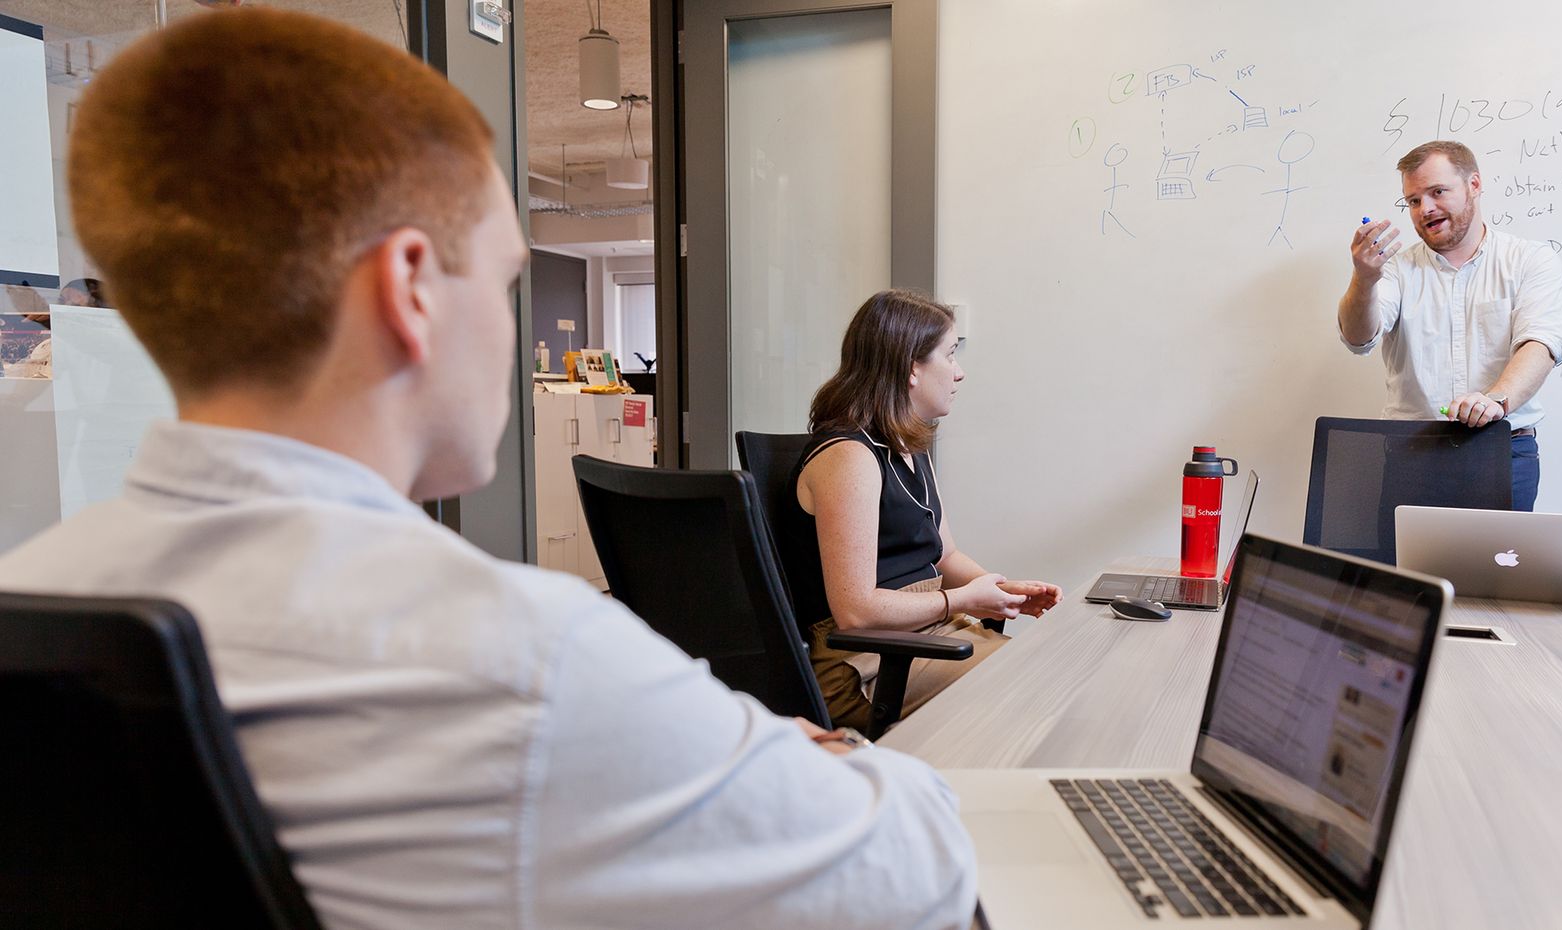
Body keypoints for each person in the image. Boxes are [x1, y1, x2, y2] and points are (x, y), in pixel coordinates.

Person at [0, 10, 976, 929]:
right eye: (507, 280)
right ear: (410, 287)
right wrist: (825, 753)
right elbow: (916, 872)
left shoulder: (32, 598)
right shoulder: (527, 655)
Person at [785, 289, 1063, 731]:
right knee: (1033, 685)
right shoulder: (849, 457)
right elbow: (855, 611)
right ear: (911, 367)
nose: (959, 373)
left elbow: (944, 557)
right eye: (950, 356)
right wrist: (964, 600)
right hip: (863, 663)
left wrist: (1001, 590)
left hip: (922, 636)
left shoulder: (907, 447)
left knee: (1050, 672)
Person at [1336, 140, 1562, 510]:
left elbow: (1540, 345)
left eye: (1437, 192)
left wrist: (1495, 399)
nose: (1424, 209)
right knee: (1407, 570)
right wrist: (1364, 279)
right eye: (1413, 200)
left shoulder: (1530, 260)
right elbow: (1358, 338)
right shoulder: (1396, 268)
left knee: (1499, 570)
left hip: (1503, 451)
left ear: (1474, 185)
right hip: (1412, 454)